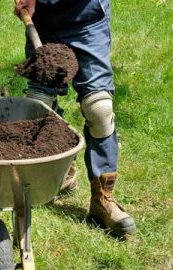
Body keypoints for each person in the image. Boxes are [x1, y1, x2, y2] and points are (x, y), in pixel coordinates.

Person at [15, 0, 136, 238]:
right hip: (43, 17)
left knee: (99, 108)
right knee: (39, 103)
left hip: (86, 17)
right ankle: (61, 172)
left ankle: (103, 199)